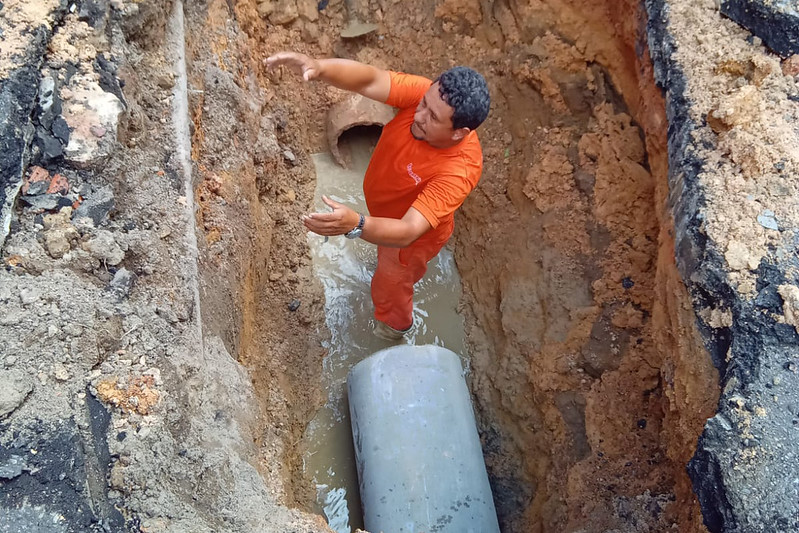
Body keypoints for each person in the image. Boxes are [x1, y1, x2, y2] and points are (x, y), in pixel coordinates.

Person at [266, 52, 490, 340]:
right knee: (383, 260)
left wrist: (356, 224)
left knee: (389, 287)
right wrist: (320, 67)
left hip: (412, 241)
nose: (418, 116)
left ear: (460, 133)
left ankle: (394, 330)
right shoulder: (429, 96)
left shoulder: (459, 170)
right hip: (387, 217)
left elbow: (409, 231)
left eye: (433, 118)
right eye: (423, 104)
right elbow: (371, 79)